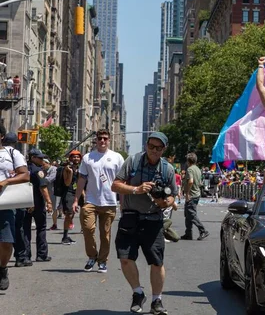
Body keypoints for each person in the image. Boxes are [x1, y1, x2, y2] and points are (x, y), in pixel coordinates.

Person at [111, 132, 177, 315]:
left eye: (159, 148)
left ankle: (157, 300)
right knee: (125, 258)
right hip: (131, 217)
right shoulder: (133, 161)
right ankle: (138, 293)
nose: (154, 151)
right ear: (146, 145)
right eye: (151, 146)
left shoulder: (167, 169)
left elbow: (172, 195)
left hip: (153, 218)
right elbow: (115, 185)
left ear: (164, 149)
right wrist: (136, 189)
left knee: (156, 262)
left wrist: (166, 202)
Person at [73, 129, 124, 273]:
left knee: (105, 234)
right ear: (96, 139)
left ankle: (102, 261)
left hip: (110, 201)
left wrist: (124, 203)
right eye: (100, 138)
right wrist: (76, 199)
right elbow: (82, 179)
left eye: (105, 138)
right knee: (88, 229)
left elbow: (122, 181)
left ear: (109, 140)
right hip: (91, 200)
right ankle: (92, 256)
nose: (102, 141)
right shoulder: (88, 158)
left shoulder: (117, 157)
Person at [0, 126, 29, 290]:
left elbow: (25, 175)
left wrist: (6, 181)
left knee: (6, 242)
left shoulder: (12, 154)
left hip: (5, 203)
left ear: (1, 136)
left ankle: (3, 268)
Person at [14, 149, 53, 265]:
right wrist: (49, 202)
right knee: (41, 228)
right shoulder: (38, 171)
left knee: (25, 229)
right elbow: (43, 187)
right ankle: (42, 254)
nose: (42, 160)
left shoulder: (23, 169)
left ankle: (26, 255)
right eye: (39, 158)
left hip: (25, 203)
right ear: (32, 158)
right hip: (37, 204)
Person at [181, 153, 209, 241]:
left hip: (191, 195)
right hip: (196, 193)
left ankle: (203, 230)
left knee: (191, 214)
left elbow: (190, 181)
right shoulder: (198, 169)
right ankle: (188, 233)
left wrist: (187, 192)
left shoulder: (190, 169)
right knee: (188, 214)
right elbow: (200, 182)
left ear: (188, 161)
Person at [60, 151, 82, 244]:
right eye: (74, 157)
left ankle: (67, 235)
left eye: (77, 157)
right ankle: (64, 237)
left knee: (72, 214)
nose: (76, 159)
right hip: (68, 193)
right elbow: (67, 183)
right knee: (69, 214)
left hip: (76, 192)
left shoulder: (80, 169)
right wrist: (71, 172)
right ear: (70, 159)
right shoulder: (67, 169)